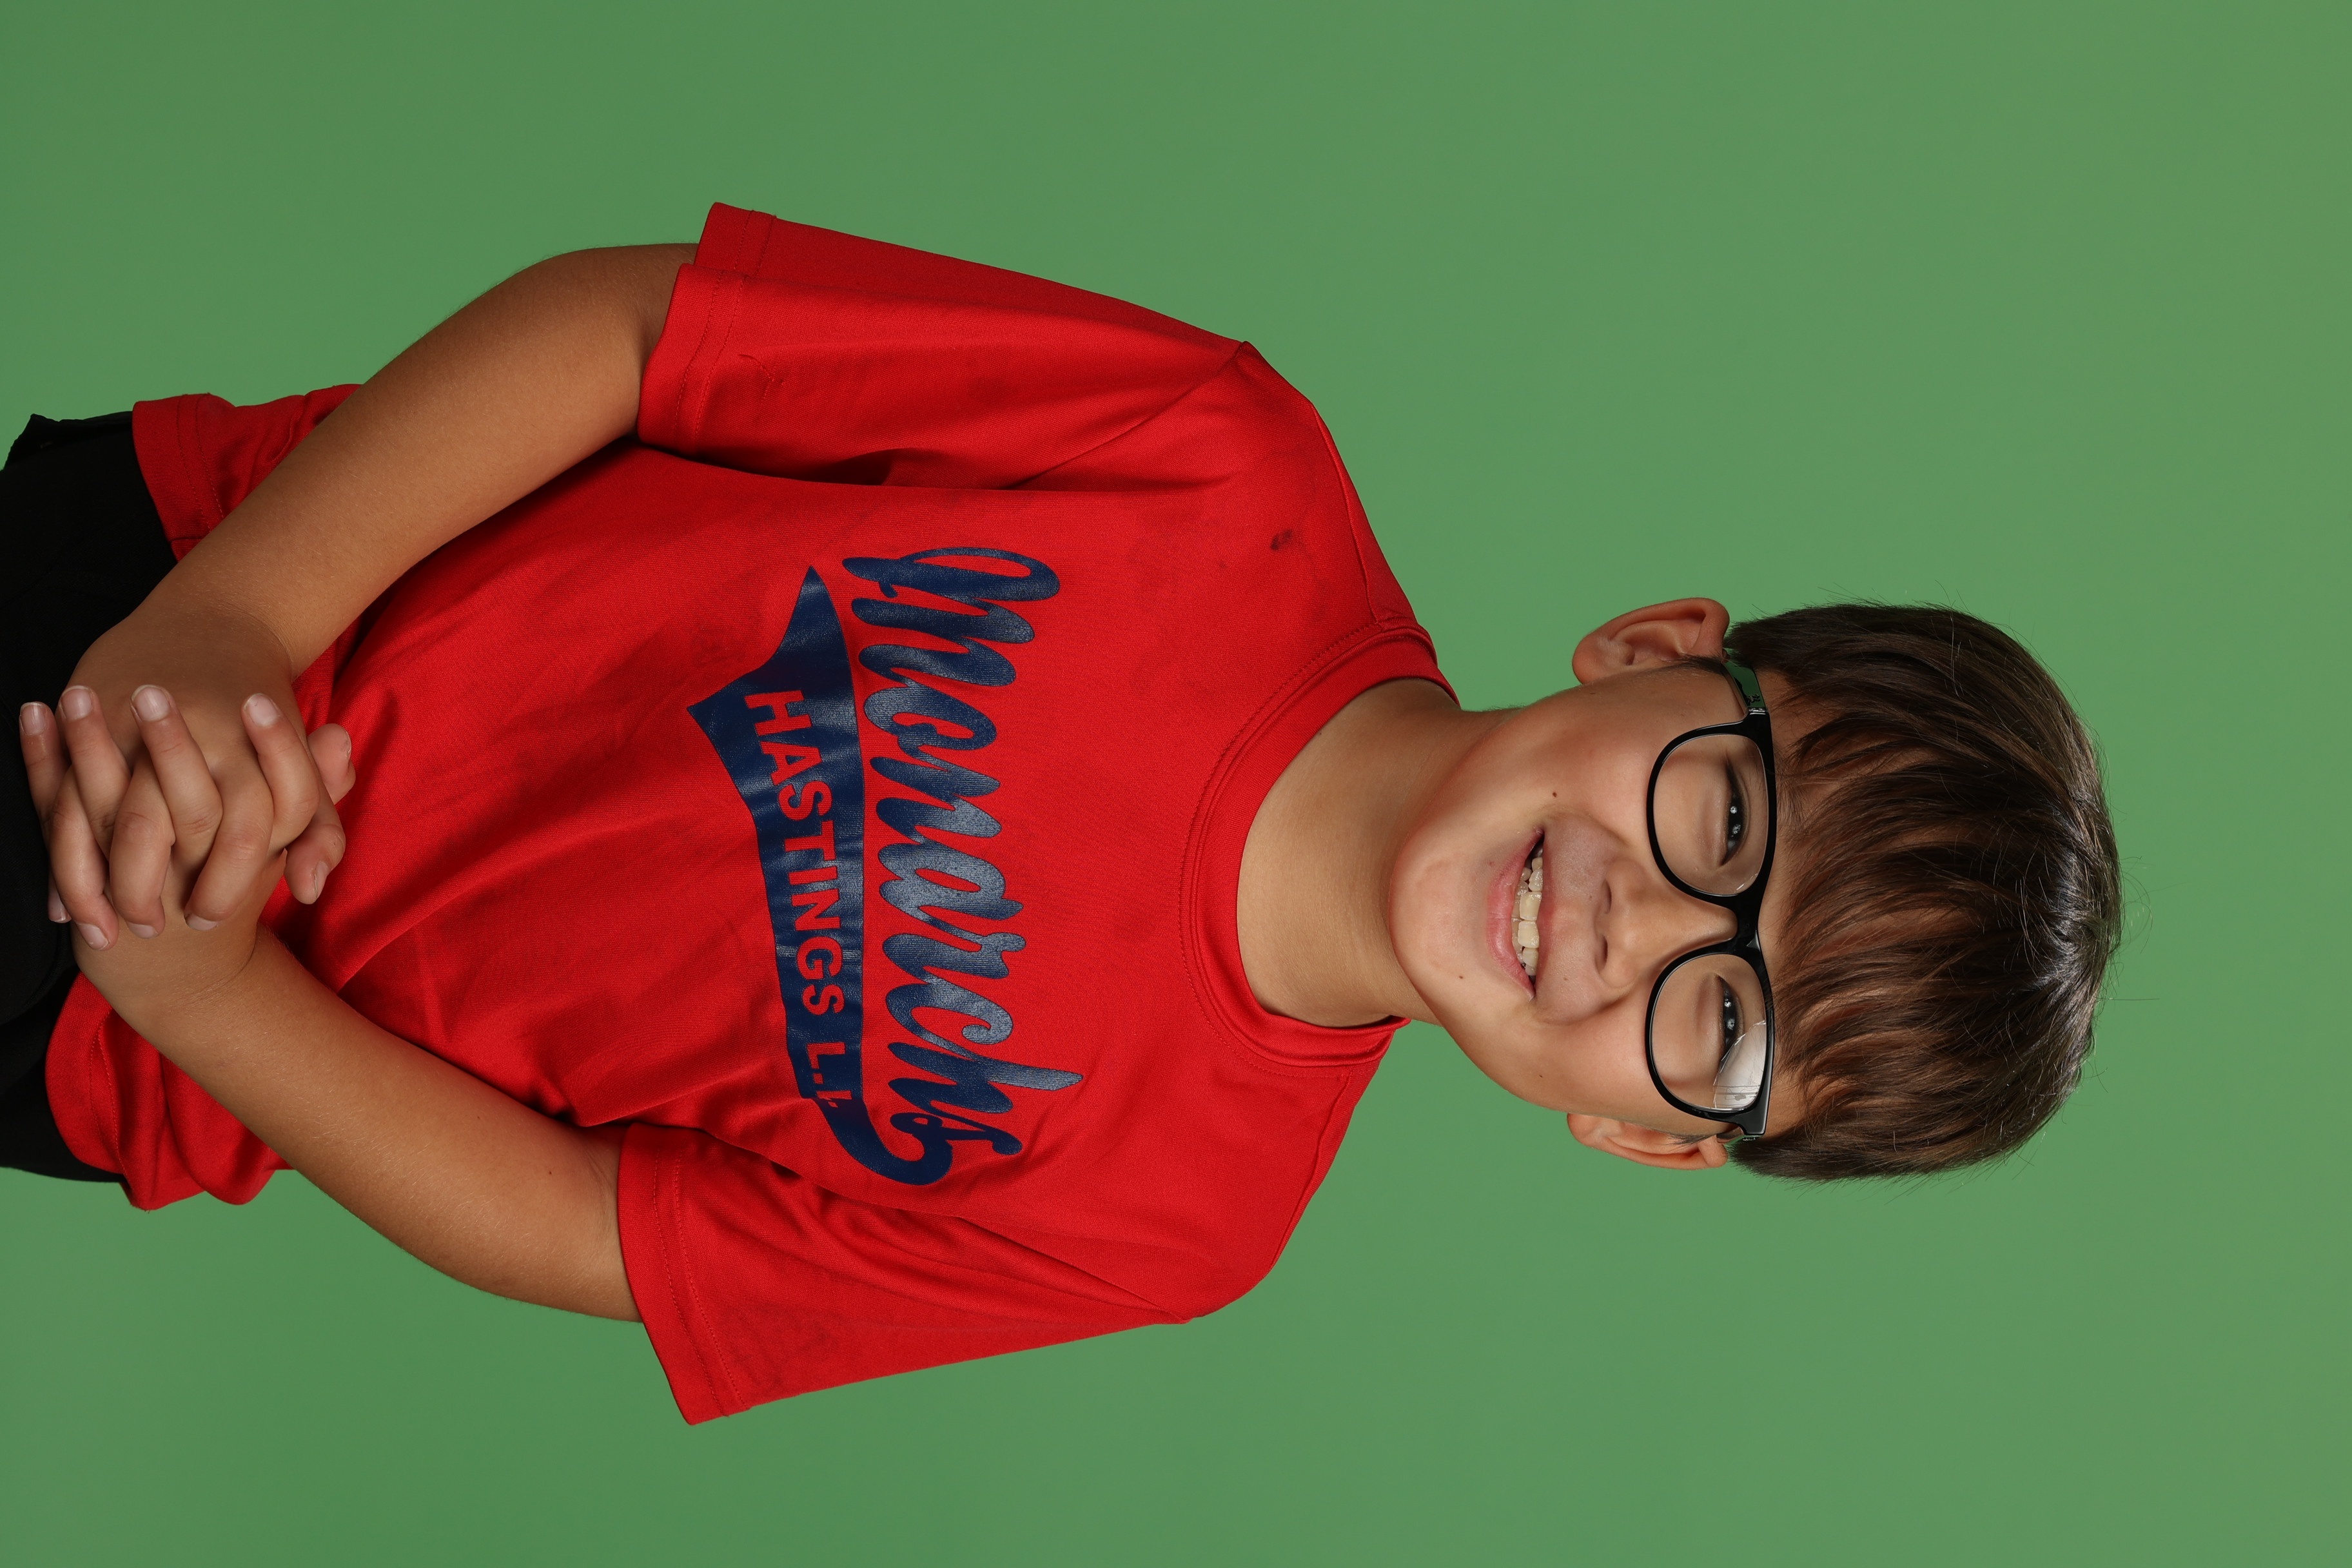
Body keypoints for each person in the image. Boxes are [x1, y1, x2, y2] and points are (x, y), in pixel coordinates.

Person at [3, 204, 2121, 1421]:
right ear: (1658, 645)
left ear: (1656, 1133)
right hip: (157, 587)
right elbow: (642, 333)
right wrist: (236, 616)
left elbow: (593, 1230)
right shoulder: (1217, 457)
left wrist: (200, 994)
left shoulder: (1179, 1228)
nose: (1633, 921)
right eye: (1726, 827)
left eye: (1723, 1022)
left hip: (126, 1035)